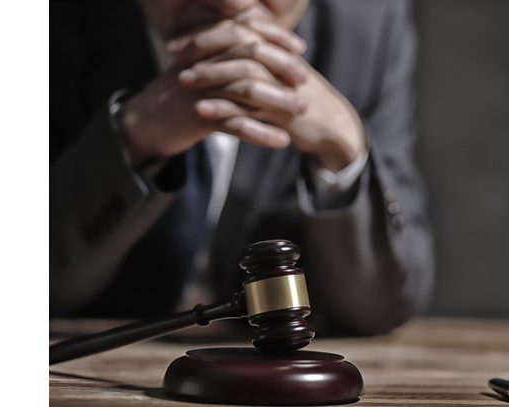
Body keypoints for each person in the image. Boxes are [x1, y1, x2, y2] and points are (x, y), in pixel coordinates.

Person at [50, 0, 434, 336]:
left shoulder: (366, 21)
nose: (230, 4)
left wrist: (344, 146)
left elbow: (383, 305)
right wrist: (133, 137)